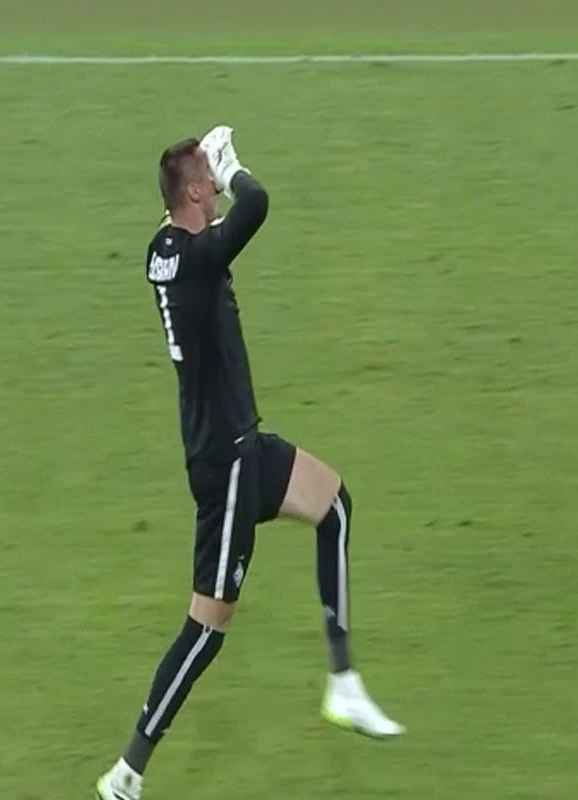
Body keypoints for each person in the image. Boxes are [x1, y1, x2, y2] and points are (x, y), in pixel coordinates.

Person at [96, 125, 403, 800]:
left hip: (240, 446)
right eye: (209, 180)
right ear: (195, 193)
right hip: (227, 465)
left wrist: (203, 172)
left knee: (334, 505)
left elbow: (194, 227)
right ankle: (126, 772)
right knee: (207, 629)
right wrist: (235, 169)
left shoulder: (164, 251)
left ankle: (344, 682)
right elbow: (257, 206)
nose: (216, 188)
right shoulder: (200, 257)